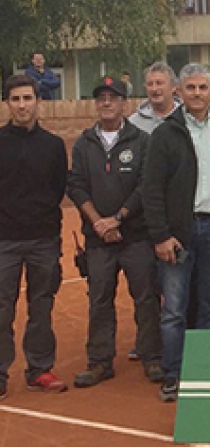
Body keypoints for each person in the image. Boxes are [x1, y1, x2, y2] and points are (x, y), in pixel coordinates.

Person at [143, 63, 210, 402]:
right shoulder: (165, 134)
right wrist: (160, 235)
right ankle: (174, 373)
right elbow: (151, 189)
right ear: (179, 92)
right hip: (178, 232)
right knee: (174, 307)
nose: (197, 93)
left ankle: (209, 372)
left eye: (202, 87)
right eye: (190, 88)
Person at [68, 76, 162, 387]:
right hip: (98, 239)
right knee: (98, 300)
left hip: (134, 235)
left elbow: (145, 186)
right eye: (101, 98)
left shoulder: (141, 140)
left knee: (146, 298)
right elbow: (77, 186)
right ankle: (99, 362)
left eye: (113, 97)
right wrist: (99, 222)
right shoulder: (84, 143)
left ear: (124, 103)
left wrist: (118, 218)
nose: (106, 102)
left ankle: (152, 358)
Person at [0, 74, 69, 397]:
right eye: (16, 99)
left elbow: (57, 189)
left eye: (27, 98)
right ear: (8, 104)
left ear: (38, 102)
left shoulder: (54, 146)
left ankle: (39, 368)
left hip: (44, 239)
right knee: (2, 307)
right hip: (5, 241)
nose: (22, 105)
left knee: (41, 306)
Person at [129, 62, 181, 134]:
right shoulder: (133, 123)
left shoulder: (187, 119)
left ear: (173, 86)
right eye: (150, 84)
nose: (154, 89)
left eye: (159, 83)